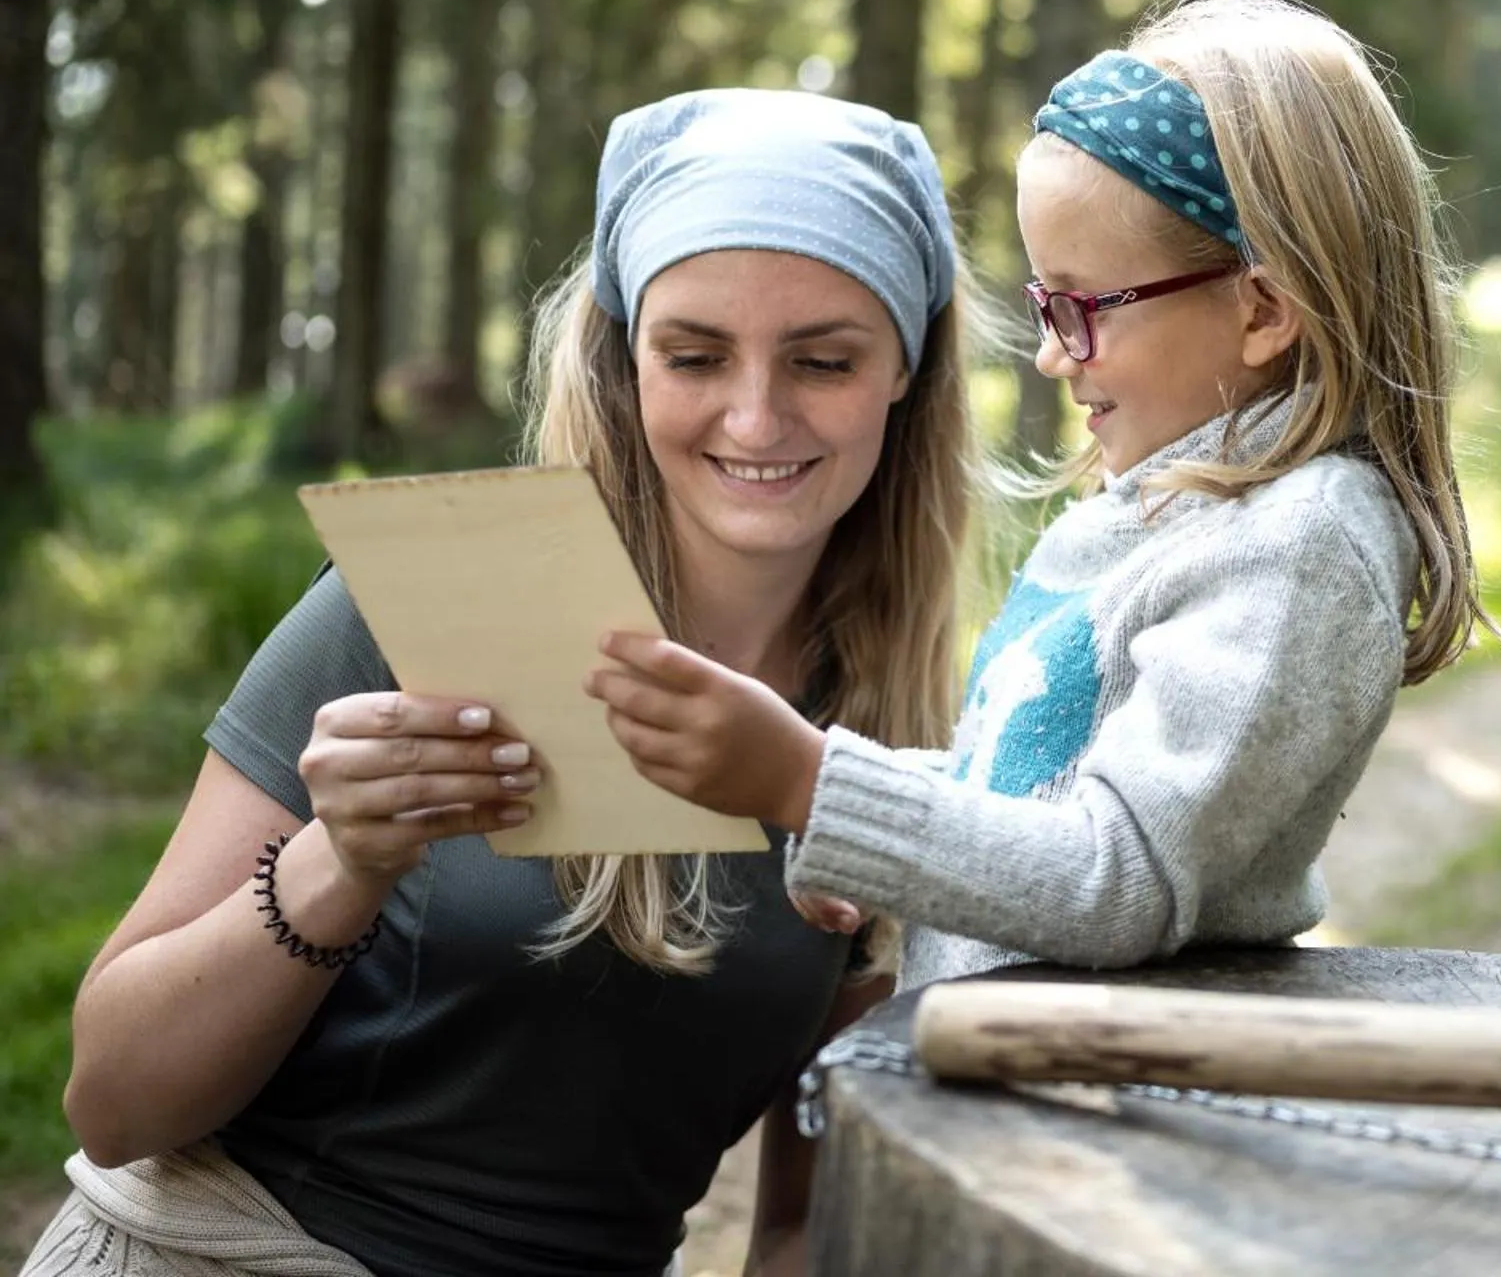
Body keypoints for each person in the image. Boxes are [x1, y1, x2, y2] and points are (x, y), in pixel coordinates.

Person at [37, 89, 974, 1277]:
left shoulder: (897, 727)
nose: (754, 414)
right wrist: (340, 865)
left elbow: (802, 1224)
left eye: (823, 360)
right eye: (692, 354)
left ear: (906, 368)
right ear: (625, 361)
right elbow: (112, 1106)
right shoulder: (437, 599)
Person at [589, 0, 1499, 988]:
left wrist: (813, 783)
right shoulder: (1171, 515)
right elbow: (1032, 794)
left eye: (1077, 307)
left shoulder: (1296, 546)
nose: (1051, 359)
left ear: (1264, 311)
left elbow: (1118, 878)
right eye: (1041, 305)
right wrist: (863, 823)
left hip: (1104, 1105)